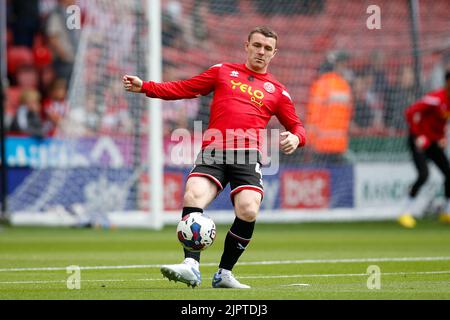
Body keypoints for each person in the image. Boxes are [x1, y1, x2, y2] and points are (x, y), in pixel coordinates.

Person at [123, 26, 306, 288]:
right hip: (215, 150)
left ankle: (224, 273)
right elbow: (185, 88)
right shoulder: (222, 71)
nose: (261, 52)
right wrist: (146, 87)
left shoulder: (278, 91)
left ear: (274, 54)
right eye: (256, 46)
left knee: (249, 209)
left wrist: (296, 138)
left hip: (247, 155)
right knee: (193, 194)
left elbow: (298, 127)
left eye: (267, 48)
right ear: (247, 46)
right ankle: (191, 266)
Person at [399, 70, 450, 228]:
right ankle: (405, 212)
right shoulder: (435, 98)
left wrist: (442, 137)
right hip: (419, 139)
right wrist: (418, 135)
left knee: (448, 174)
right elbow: (410, 112)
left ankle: (446, 212)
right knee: (424, 175)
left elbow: (440, 123)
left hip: (433, 141)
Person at [305, 50, 353, 163]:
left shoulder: (321, 84)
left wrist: (310, 141)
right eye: (342, 64)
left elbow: (314, 114)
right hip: (339, 146)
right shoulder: (344, 85)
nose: (344, 67)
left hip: (322, 146)